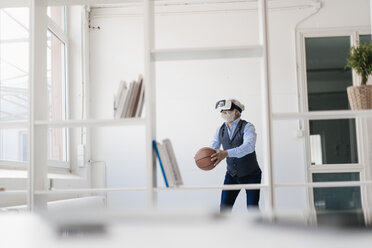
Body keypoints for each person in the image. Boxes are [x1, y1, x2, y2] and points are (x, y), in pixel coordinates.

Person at [210, 99, 262, 212]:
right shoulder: (220, 129)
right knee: (224, 210)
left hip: (251, 174)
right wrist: (206, 156)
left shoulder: (248, 127)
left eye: (227, 110)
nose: (223, 112)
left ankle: (259, 229)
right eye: (222, 110)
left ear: (237, 112)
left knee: (253, 209)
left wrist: (226, 153)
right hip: (231, 175)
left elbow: (249, 147)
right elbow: (213, 147)